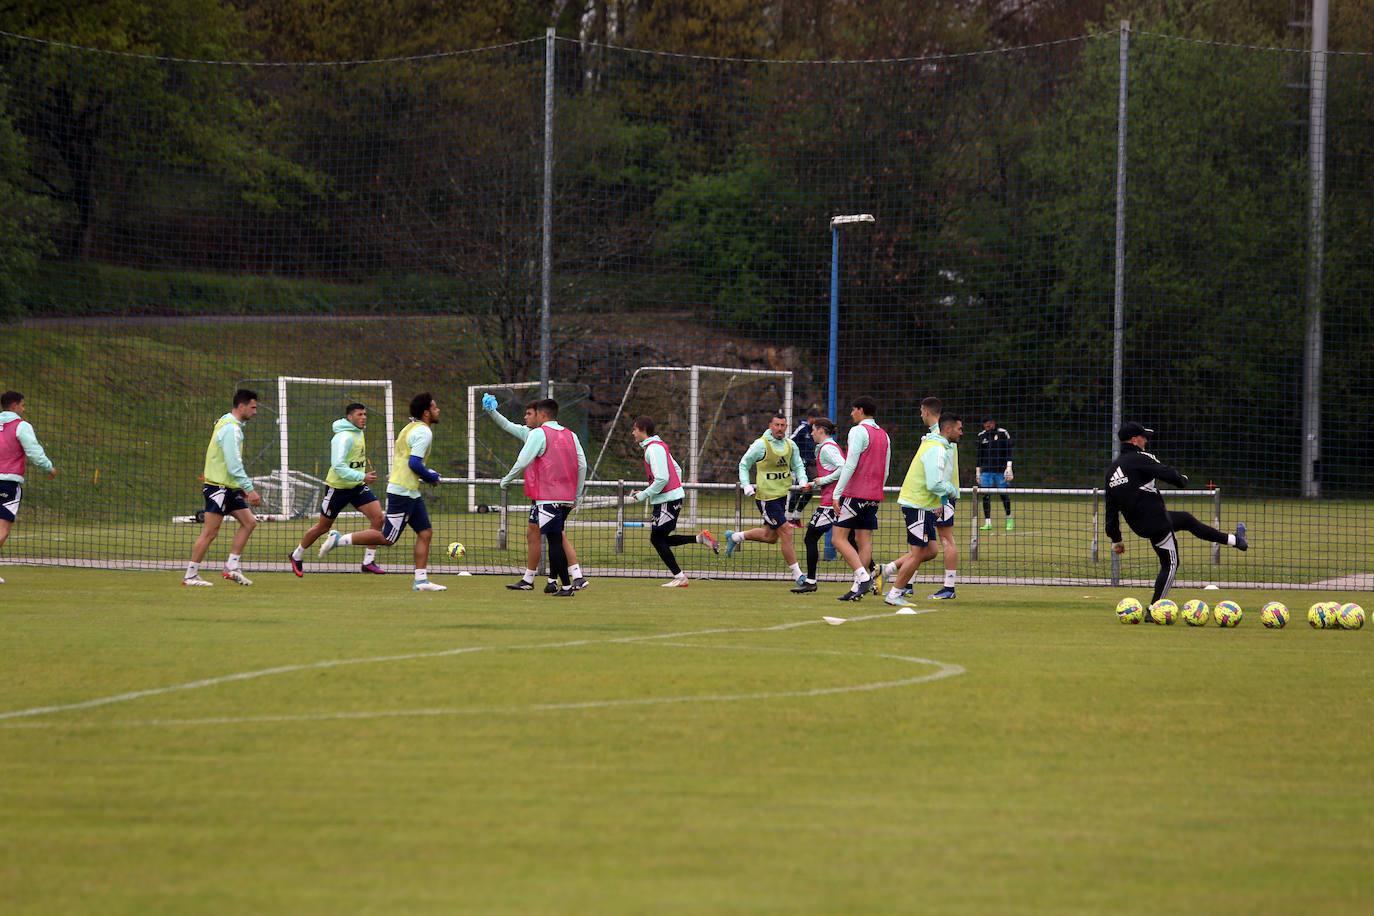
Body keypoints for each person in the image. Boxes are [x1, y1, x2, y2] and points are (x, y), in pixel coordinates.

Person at [1106, 422, 1247, 607]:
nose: (1146, 440)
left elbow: (1111, 509)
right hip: (1157, 521)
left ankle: (1236, 540)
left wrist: (1116, 539)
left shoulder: (1111, 471)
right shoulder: (1141, 457)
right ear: (1134, 440)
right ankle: (1154, 609)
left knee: (1186, 519)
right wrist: (1182, 480)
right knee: (1171, 564)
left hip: (1140, 524)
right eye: (1144, 437)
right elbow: (1166, 472)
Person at [319, 392, 447, 592]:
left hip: (410, 490)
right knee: (388, 538)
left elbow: (408, 460)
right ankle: (340, 540)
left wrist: (427, 472)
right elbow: (414, 463)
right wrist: (431, 477)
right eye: (435, 407)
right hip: (402, 491)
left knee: (425, 532)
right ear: (426, 413)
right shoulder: (424, 432)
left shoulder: (410, 428)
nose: (438, 410)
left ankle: (421, 581)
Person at [482, 393, 589, 592]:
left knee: (556, 538)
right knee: (547, 535)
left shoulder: (539, 434)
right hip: (563, 496)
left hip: (547, 496)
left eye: (530, 413)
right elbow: (582, 464)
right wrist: (577, 493)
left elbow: (522, 461)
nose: (526, 417)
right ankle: (546, 581)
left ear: (541, 414)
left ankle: (571, 580)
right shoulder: (570, 434)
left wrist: (506, 480)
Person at [288, 403, 385, 576]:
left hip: (357, 487)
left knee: (378, 518)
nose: (363, 417)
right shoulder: (343, 437)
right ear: (349, 417)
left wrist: (360, 477)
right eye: (359, 414)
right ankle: (296, 555)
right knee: (323, 527)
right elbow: (338, 466)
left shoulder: (359, 432)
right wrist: (361, 476)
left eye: (365, 414)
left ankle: (368, 562)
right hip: (337, 489)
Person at [183, 389, 262, 587]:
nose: (255, 412)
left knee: (249, 522)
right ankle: (190, 576)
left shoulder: (227, 422)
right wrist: (249, 489)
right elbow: (233, 463)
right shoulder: (231, 429)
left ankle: (231, 567)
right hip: (218, 488)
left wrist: (240, 488)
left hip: (229, 487)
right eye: (253, 407)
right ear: (241, 406)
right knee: (210, 532)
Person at [884, 413, 963, 608]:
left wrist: (939, 502)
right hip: (917, 505)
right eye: (959, 428)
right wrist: (951, 491)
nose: (962, 432)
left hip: (924, 506)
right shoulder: (937, 449)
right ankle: (895, 592)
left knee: (931, 550)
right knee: (918, 553)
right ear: (948, 429)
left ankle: (887, 572)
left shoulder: (936, 445)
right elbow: (934, 483)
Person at [630, 416, 719, 587]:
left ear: (642, 430)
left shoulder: (652, 449)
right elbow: (676, 470)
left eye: (634, 429)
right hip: (670, 498)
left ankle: (680, 577)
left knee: (657, 539)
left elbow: (662, 478)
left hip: (667, 501)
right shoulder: (660, 445)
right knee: (660, 538)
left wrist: (644, 495)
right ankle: (700, 539)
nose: (633, 433)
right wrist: (674, 490)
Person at [723, 413, 809, 586]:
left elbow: (798, 465)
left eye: (783, 425)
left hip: (782, 496)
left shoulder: (790, 445)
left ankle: (735, 537)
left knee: (770, 536)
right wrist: (746, 485)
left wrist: (803, 480)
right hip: (766, 498)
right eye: (776, 425)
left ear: (786, 426)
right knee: (786, 530)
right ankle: (798, 575)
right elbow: (744, 464)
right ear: (770, 425)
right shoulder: (760, 445)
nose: (779, 428)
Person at [823, 397, 891, 602]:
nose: (851, 413)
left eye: (853, 410)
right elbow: (886, 470)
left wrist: (837, 493)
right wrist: (877, 490)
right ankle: (856, 588)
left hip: (855, 494)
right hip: (873, 495)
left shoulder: (858, 431)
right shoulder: (884, 435)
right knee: (864, 540)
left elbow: (850, 464)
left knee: (837, 538)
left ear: (860, 410)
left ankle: (863, 578)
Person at [790, 417, 858, 594]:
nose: (811, 433)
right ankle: (871, 574)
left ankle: (811, 581)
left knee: (810, 538)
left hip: (831, 503)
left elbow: (844, 467)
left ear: (821, 430)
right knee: (849, 541)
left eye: (813, 430)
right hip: (838, 499)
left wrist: (823, 480)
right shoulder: (828, 447)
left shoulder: (827, 448)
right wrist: (814, 484)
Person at [0, 391, 57, 585]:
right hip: (7, 482)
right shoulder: (21, 426)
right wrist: (48, 467)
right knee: (2, 530)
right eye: (23, 405)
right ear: (15, 405)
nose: (24, 409)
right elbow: (33, 451)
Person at [922, 397, 961, 600]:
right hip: (935, 495)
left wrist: (941, 498)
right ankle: (907, 584)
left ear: (926, 411)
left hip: (941, 495)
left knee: (946, 538)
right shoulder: (935, 435)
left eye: (921, 411)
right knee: (922, 540)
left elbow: (945, 469)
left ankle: (949, 587)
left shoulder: (943, 435)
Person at [976, 418, 1014, 531]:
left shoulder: (1003, 433)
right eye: (985, 424)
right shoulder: (981, 436)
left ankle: (1009, 519)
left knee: (1004, 495)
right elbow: (979, 456)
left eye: (989, 423)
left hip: (1001, 470)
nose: (987, 425)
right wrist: (978, 472)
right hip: (986, 471)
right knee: (985, 495)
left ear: (993, 423)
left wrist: (1009, 468)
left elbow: (1009, 451)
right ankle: (988, 522)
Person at [785, 411, 819, 527]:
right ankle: (788, 518)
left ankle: (796, 516)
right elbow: (790, 441)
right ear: (810, 418)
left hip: (810, 466)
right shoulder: (802, 429)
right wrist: (795, 458)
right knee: (798, 489)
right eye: (815, 418)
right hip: (800, 465)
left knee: (809, 491)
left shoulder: (815, 432)